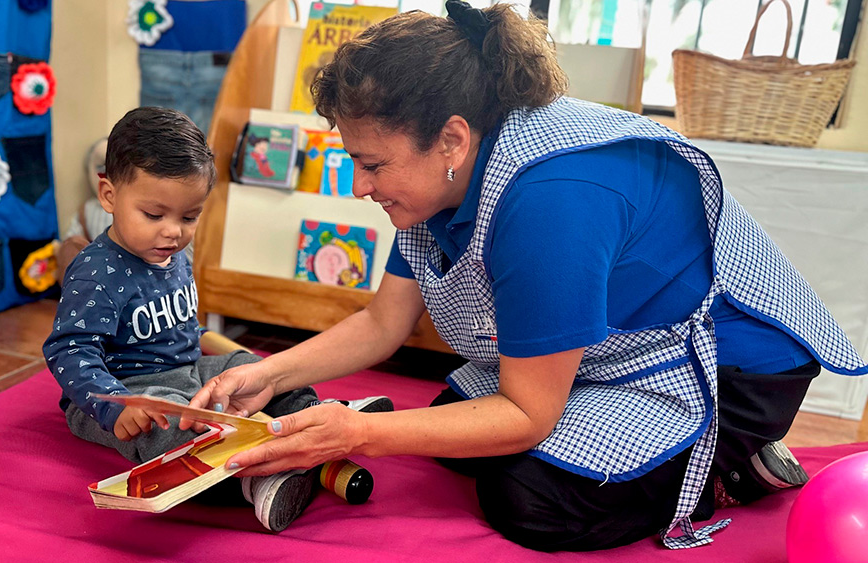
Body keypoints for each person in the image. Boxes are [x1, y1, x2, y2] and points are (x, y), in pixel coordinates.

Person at [180, 1, 868, 552]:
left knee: (531, 499)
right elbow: (382, 322)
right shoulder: (442, 177)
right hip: (618, 349)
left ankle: (725, 459)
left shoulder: (551, 200)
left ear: (450, 139)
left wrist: (357, 433)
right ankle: (705, 453)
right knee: (452, 426)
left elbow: (527, 412)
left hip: (732, 371)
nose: (359, 185)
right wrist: (269, 374)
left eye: (373, 164)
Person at [43, 107, 390, 532]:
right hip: (127, 393)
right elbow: (68, 348)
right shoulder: (97, 271)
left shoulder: (175, 255)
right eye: (155, 215)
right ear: (110, 195)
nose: (174, 231)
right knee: (173, 424)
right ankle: (255, 483)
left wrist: (244, 360)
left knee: (258, 371)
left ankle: (314, 417)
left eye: (189, 217)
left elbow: (186, 330)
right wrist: (112, 405)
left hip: (188, 371)